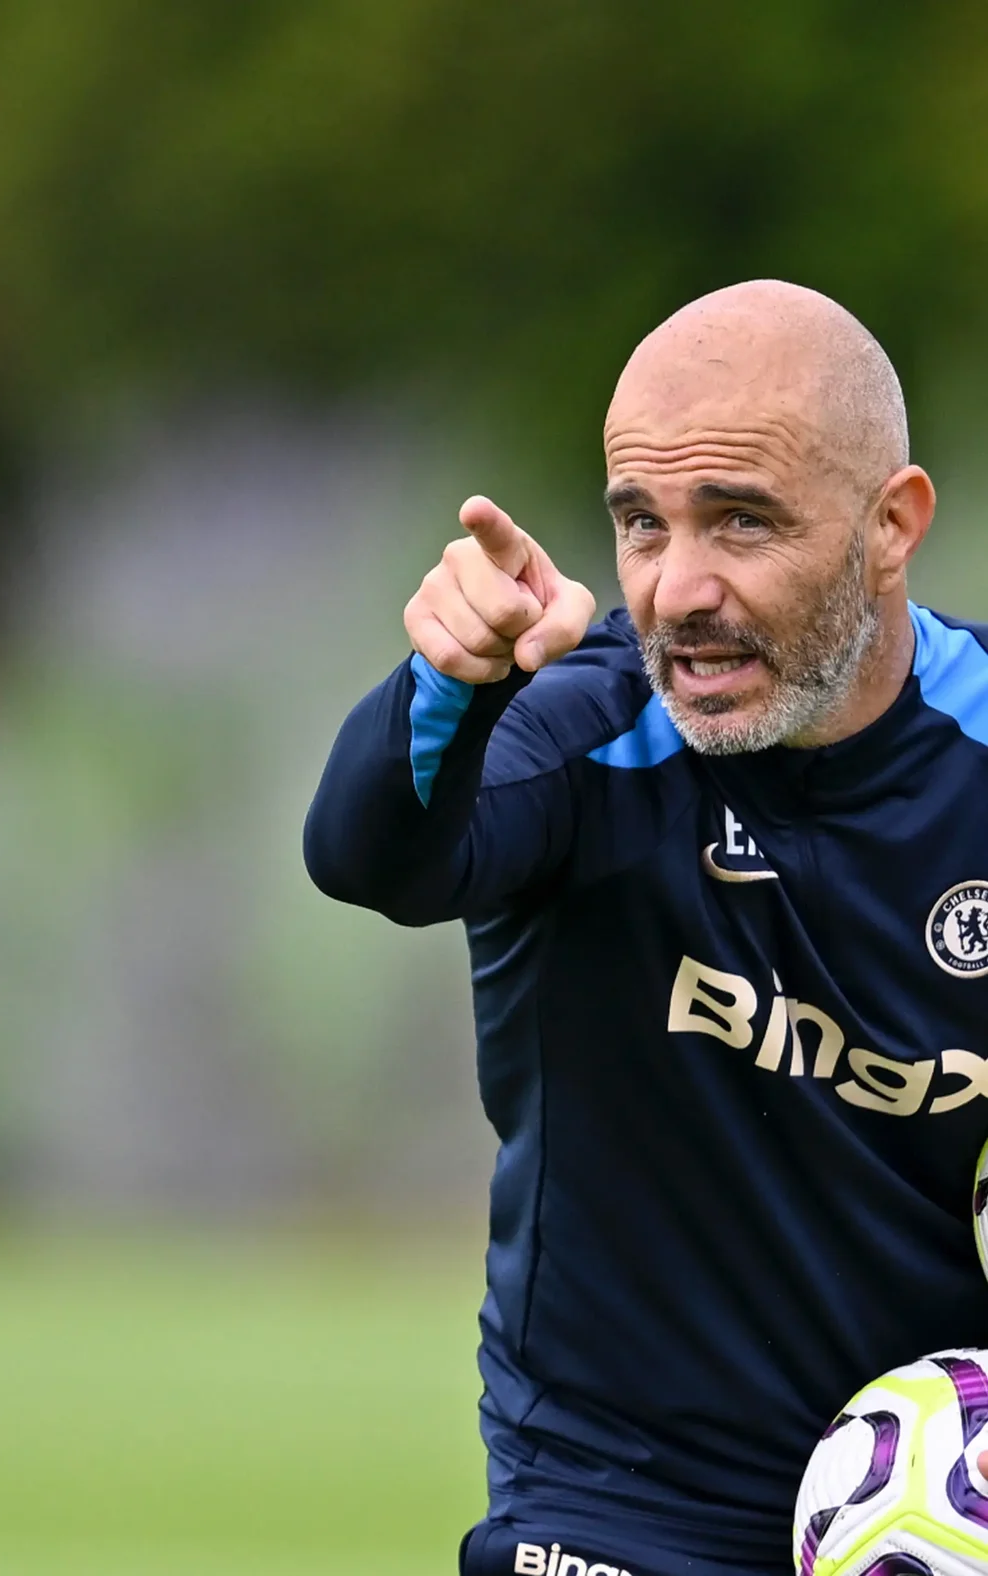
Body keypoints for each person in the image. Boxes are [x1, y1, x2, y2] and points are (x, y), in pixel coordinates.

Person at [304, 279, 988, 1576]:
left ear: (891, 525)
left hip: (934, 1506)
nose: (679, 589)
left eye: (740, 522)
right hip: (615, 1507)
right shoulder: (580, 733)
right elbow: (368, 858)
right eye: (642, 524)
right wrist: (452, 681)